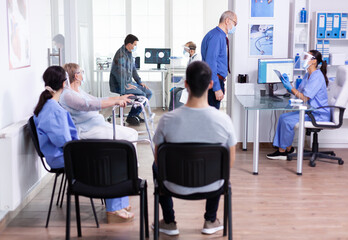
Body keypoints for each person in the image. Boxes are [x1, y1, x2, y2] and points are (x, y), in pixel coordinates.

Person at [152, 61, 237, 236]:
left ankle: (169, 222)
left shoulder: (167, 120)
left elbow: (157, 160)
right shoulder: (224, 121)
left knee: (156, 167)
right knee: (221, 166)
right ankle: (211, 219)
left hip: (172, 185)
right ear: (211, 84)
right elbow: (230, 162)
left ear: (186, 85)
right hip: (213, 185)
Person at [60, 63, 137, 222]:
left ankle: (123, 192)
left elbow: (97, 99)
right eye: (81, 71)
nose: (83, 74)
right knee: (122, 147)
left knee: (132, 134)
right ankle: (115, 204)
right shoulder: (67, 94)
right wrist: (116, 102)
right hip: (88, 131)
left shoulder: (77, 90)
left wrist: (119, 98)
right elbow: (89, 105)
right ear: (76, 75)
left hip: (98, 125)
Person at [267, 50, 330, 160]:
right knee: (283, 117)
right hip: (309, 111)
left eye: (306, 57)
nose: (303, 59)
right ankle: (288, 149)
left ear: (314, 61)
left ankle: (283, 152)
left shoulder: (317, 76)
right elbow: (299, 93)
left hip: (318, 113)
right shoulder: (307, 75)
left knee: (287, 121)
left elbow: (305, 98)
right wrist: (288, 84)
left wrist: (290, 88)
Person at [109, 34, 152, 126]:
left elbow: (133, 69)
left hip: (129, 83)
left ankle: (135, 114)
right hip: (121, 85)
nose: (136, 47)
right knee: (142, 95)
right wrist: (126, 85)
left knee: (148, 92)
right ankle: (131, 116)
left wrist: (139, 82)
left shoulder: (129, 53)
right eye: (135, 45)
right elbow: (119, 74)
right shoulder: (120, 55)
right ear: (129, 44)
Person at [201, 10, 237, 109]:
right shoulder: (217, 37)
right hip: (212, 83)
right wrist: (216, 87)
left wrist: (220, 83)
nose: (235, 27)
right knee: (211, 119)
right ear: (227, 21)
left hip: (215, 80)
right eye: (235, 23)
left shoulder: (218, 35)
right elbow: (211, 64)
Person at [168, 41, 201, 111]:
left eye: (185, 50)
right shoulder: (190, 59)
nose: (184, 51)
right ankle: (171, 113)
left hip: (193, 85)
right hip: (186, 84)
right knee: (173, 92)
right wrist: (177, 85)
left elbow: (194, 76)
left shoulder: (197, 59)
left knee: (179, 95)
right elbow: (186, 76)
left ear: (191, 50)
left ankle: (178, 116)